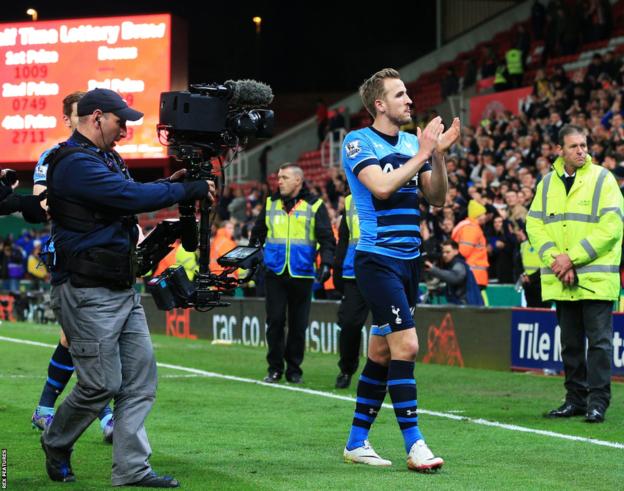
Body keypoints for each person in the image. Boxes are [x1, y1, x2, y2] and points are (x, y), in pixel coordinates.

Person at [40, 88, 215, 487]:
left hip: (120, 287)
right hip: (86, 291)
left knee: (139, 381)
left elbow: (128, 193)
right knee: (100, 384)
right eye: (121, 122)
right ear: (96, 117)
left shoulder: (106, 157)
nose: (125, 131)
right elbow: (124, 196)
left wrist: (168, 183)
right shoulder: (71, 162)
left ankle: (132, 469)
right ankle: (56, 439)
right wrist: (185, 190)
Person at [340, 67, 459, 472]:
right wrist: (424, 153)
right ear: (380, 104)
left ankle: (357, 442)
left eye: (408, 94)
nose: (409, 100)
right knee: (406, 347)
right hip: (377, 259)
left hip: (409, 262)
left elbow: (438, 197)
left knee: (380, 352)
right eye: (400, 94)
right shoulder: (357, 142)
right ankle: (416, 445)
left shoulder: (411, 141)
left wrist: (437, 156)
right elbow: (382, 187)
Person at [30, 91, 116, 443]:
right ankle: (102, 415)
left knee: (89, 338)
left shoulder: (107, 158)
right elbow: (40, 199)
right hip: (72, 257)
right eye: (78, 114)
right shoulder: (54, 157)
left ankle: (47, 409)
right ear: (68, 119)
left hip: (106, 258)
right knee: (82, 337)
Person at [527, 124, 623, 424]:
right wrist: (558, 261)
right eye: (574, 146)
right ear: (560, 150)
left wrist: (572, 259)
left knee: (599, 344)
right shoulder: (546, 184)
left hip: (594, 279)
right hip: (562, 277)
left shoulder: (603, 179)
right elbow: (534, 225)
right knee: (569, 344)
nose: (581, 151)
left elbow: (611, 227)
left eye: (583, 145)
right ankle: (575, 399)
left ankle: (598, 402)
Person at [250, 163, 335, 384]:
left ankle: (294, 369)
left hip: (303, 273)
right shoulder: (270, 203)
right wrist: (253, 257)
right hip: (275, 272)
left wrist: (326, 263)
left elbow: (327, 239)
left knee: (298, 325)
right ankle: (275, 368)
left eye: (284, 177)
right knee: (275, 322)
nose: (279, 181)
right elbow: (257, 235)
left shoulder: (315, 205)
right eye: (279, 177)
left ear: (298, 180)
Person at [333, 194, 369, 389]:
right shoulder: (349, 200)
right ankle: (346, 369)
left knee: (390, 326)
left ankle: (390, 374)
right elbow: (344, 239)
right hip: (354, 272)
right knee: (349, 324)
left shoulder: (392, 188)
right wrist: (337, 270)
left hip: (384, 271)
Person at [424, 240, 484, 306]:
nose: (444, 255)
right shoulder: (452, 264)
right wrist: (439, 290)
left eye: (448, 252)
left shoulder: (459, 264)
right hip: (466, 305)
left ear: (456, 252)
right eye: (443, 252)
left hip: (469, 305)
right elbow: (455, 287)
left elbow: (455, 277)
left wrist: (434, 270)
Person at [452, 200, 489, 291]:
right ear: (478, 215)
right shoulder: (471, 229)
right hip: (473, 275)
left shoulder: (468, 227)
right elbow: (464, 251)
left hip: (471, 274)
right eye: (484, 214)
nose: (485, 217)